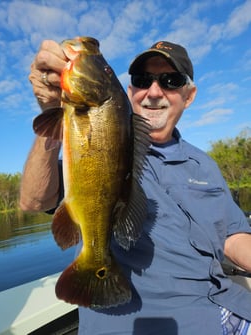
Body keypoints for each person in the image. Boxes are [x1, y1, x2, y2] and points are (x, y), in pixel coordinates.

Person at [20, 38, 251, 335]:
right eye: (143, 80)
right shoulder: (108, 145)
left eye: (170, 80)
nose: (154, 91)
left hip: (231, 307)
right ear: (130, 92)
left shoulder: (204, 164)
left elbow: (232, 236)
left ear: (189, 95)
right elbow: (34, 200)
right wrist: (53, 109)